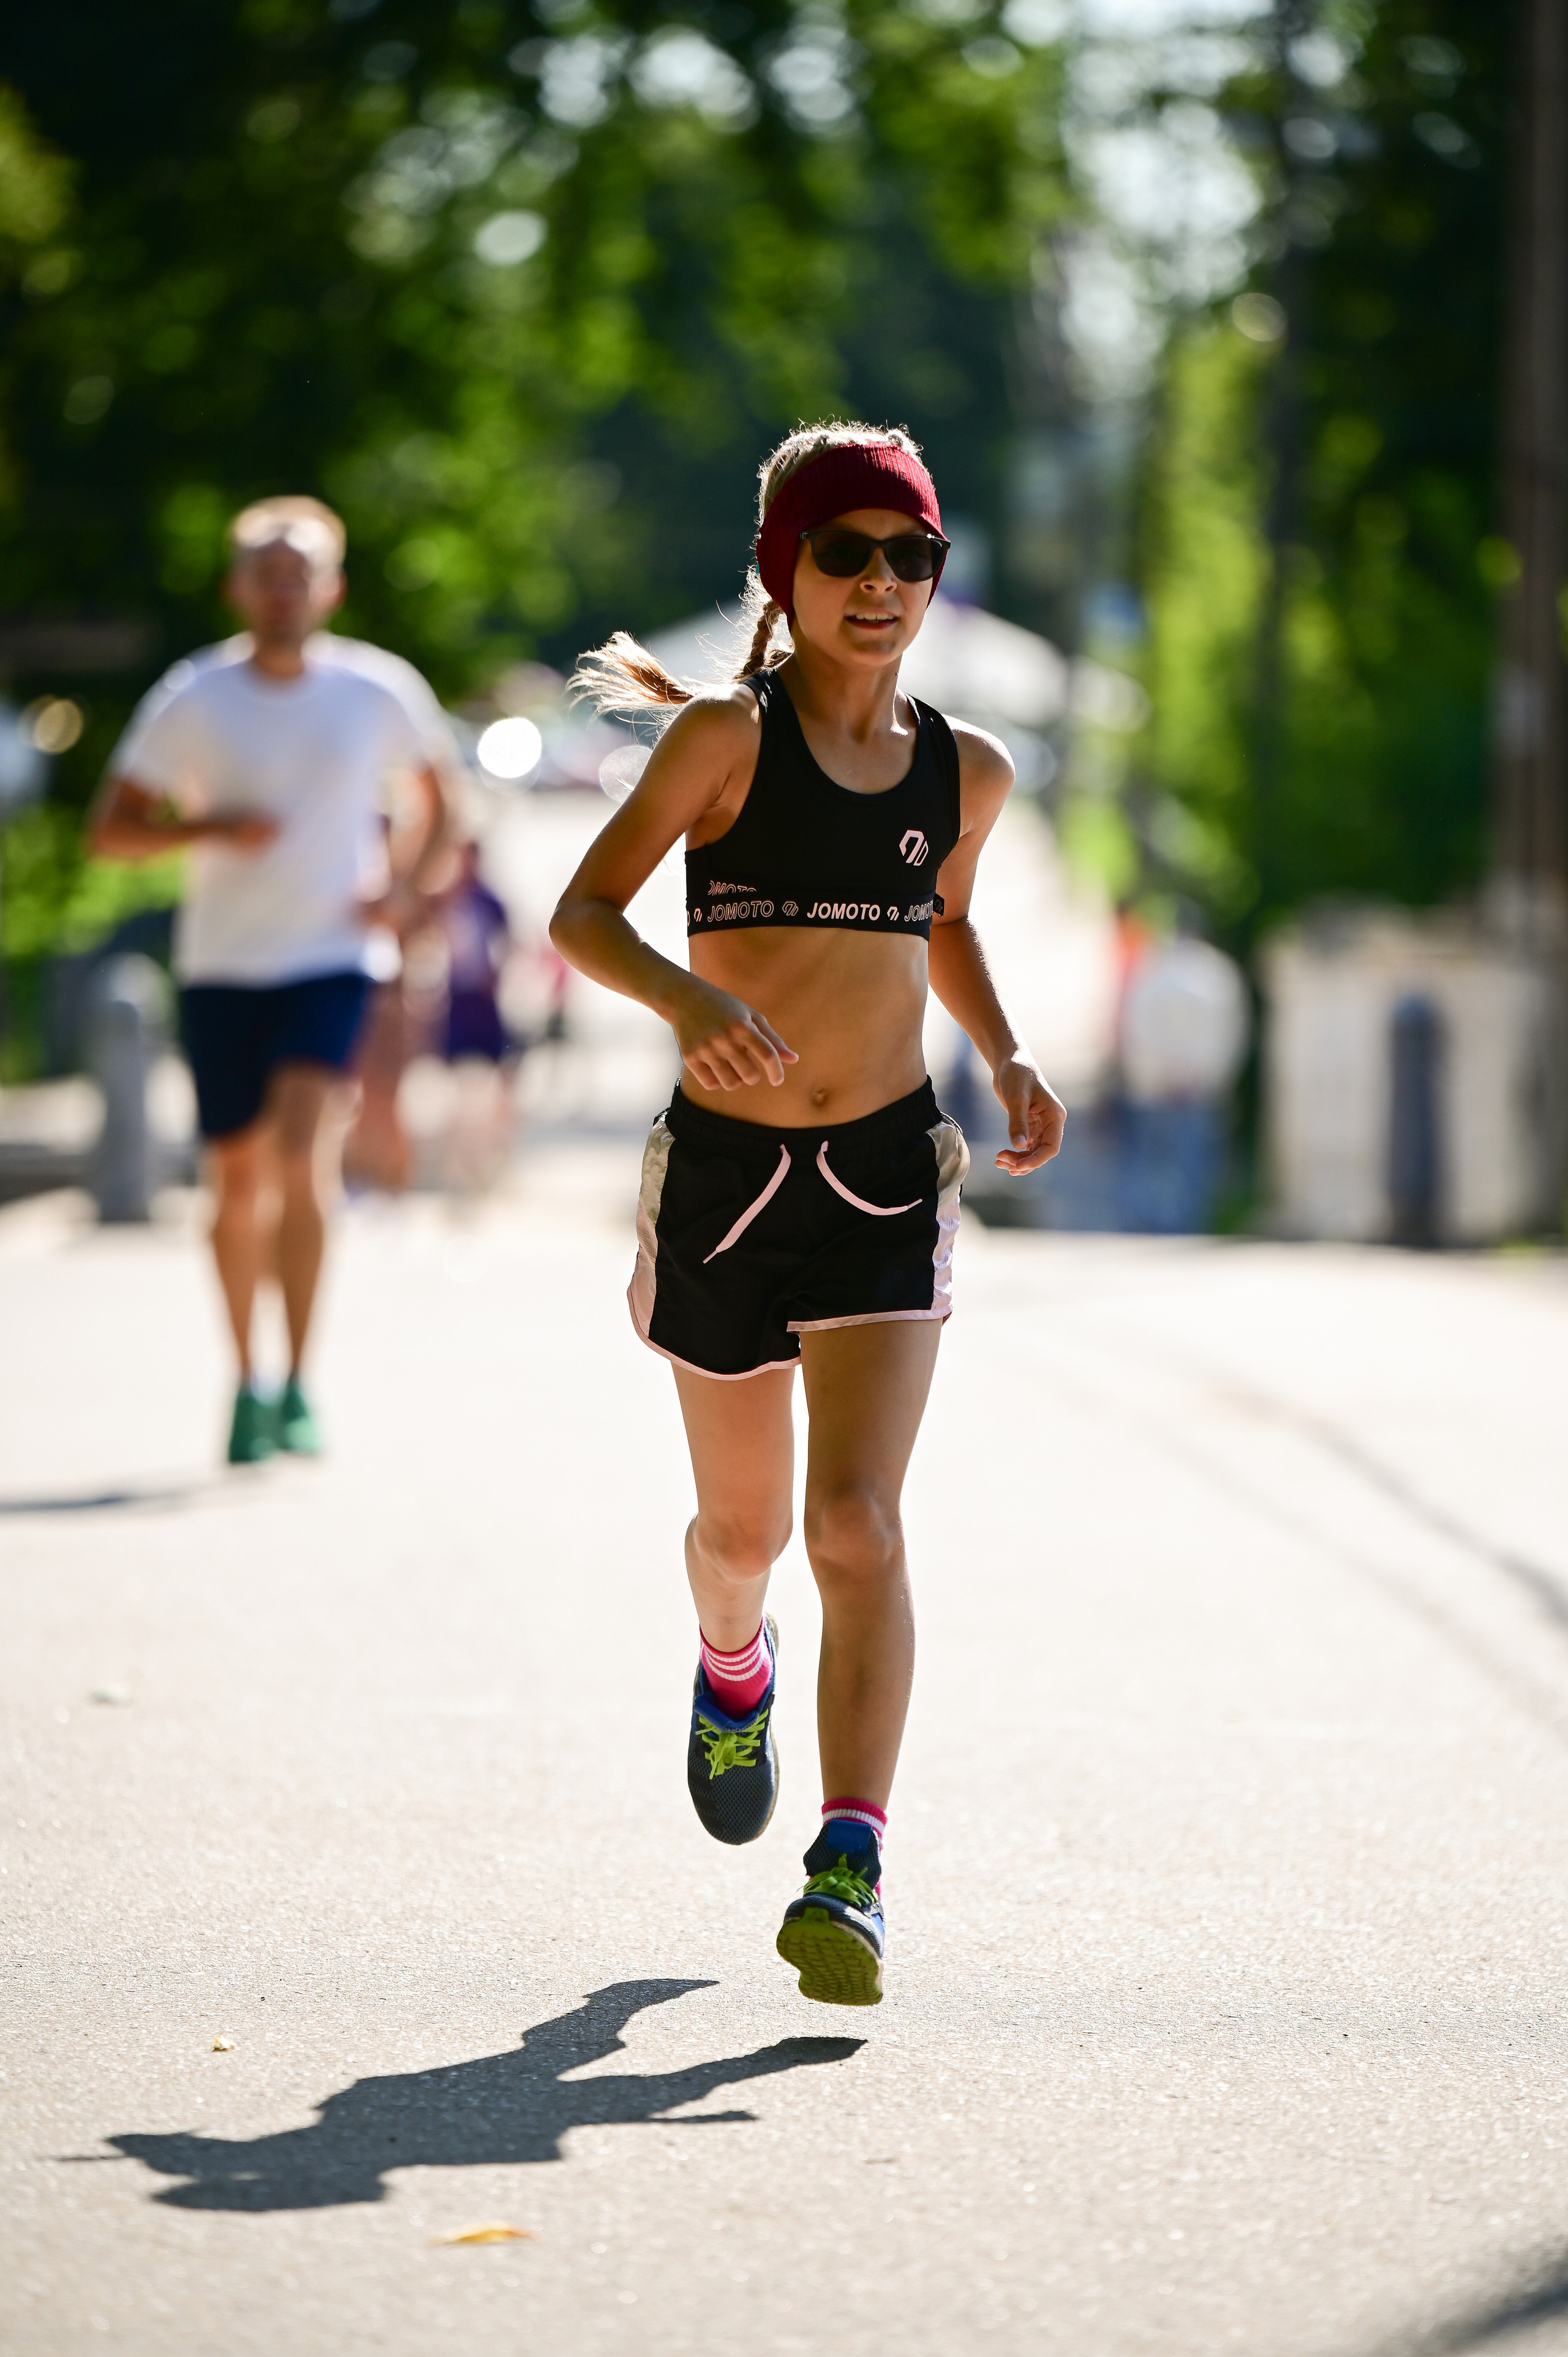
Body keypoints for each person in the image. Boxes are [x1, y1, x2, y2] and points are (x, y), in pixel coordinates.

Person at [552, 421, 1065, 2007]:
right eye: (847, 553)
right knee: (744, 1535)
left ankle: (851, 1862)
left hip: (884, 1182)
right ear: (791, 568)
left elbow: (950, 917)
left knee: (857, 1525)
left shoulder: (962, 769)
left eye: (911, 557)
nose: (881, 585)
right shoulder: (721, 739)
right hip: (725, 1180)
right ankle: (731, 1667)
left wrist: (1007, 1046)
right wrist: (681, 995)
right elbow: (582, 911)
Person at [88, 495, 456, 1462]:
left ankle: (298, 1381)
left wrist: (404, 894)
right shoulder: (194, 695)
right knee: (234, 1175)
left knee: (302, 1153)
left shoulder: (378, 691)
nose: (286, 590)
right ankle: (246, 1377)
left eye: (303, 574)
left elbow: (441, 803)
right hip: (221, 967)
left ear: (330, 587)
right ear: (238, 588)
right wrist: (209, 827)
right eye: (268, 574)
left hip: (331, 959)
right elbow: (112, 829)